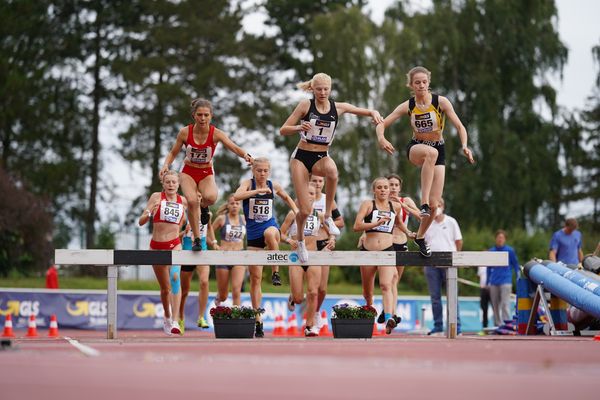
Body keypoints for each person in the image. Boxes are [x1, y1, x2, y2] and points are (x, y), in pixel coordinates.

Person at [280, 72, 384, 263]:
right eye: (318, 89)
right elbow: (283, 129)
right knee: (303, 211)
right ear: (313, 89)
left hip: (321, 155)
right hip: (301, 157)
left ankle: (327, 215)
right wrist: (298, 128)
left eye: (326, 89)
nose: (322, 92)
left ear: (330, 89)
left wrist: (373, 112)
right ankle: (301, 241)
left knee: (333, 173)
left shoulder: (338, 107)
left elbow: (360, 110)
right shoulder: (305, 105)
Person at [375, 66, 475, 258]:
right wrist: (381, 138)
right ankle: (423, 202)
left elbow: (460, 126)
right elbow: (382, 123)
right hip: (417, 148)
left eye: (424, 82)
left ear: (428, 83)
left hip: (439, 148)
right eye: (417, 83)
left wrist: (464, 145)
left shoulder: (440, 102)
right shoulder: (408, 105)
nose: (421, 85)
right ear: (411, 85)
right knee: (429, 154)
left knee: (435, 205)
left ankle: (420, 237)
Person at [160, 98, 253, 251]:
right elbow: (173, 152)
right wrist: (165, 164)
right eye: (199, 115)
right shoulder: (185, 132)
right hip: (188, 171)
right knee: (191, 200)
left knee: (211, 198)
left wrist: (246, 156)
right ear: (194, 115)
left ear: (211, 116)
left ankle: (204, 208)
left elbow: (233, 147)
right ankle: (197, 239)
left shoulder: (216, 133)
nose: (203, 118)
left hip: (205, 171)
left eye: (206, 115)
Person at [233, 157, 298, 337]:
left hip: (271, 228)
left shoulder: (273, 185)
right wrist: (257, 191)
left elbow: (287, 198)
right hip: (253, 236)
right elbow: (236, 196)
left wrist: (296, 212)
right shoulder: (248, 184)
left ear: (269, 171)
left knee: (270, 234)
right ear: (253, 171)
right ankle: (258, 320)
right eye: (259, 170)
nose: (262, 174)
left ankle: (275, 272)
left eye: (265, 171)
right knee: (255, 279)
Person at [354, 177, 414, 335]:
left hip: (388, 250)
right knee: (368, 291)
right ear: (374, 190)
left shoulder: (395, 206)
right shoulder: (368, 205)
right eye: (379, 187)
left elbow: (399, 223)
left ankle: (389, 318)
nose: (383, 190)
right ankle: (369, 305)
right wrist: (376, 224)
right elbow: (356, 226)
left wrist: (408, 233)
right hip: (368, 251)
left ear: (389, 190)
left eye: (385, 187)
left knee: (386, 285)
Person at [280, 182, 333, 337]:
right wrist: (289, 241)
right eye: (306, 193)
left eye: (312, 193)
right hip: (296, 258)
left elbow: (331, 231)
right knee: (298, 298)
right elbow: (281, 233)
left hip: (313, 255)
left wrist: (332, 239)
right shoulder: (292, 214)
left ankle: (309, 326)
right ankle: (292, 296)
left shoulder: (319, 215)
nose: (309, 196)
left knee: (313, 292)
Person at [138, 170, 186, 335]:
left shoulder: (183, 201)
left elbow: (190, 220)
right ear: (163, 184)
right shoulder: (156, 197)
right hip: (157, 246)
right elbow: (141, 222)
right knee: (165, 289)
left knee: (174, 278)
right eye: (168, 182)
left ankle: (175, 321)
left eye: (174, 182)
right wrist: (150, 211)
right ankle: (167, 315)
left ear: (179, 184)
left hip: (175, 245)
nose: (171, 185)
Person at [379, 174, 420, 324]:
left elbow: (420, 216)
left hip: (401, 244)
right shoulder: (381, 203)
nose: (393, 188)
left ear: (400, 188)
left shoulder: (406, 201)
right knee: (389, 280)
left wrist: (404, 207)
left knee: (394, 282)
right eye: (391, 185)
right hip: (386, 245)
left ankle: (388, 310)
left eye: (396, 185)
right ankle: (393, 314)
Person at [423, 198, 462, 335]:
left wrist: (456, 258)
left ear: (443, 207)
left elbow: (458, 241)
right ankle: (438, 326)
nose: (437, 208)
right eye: (435, 206)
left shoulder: (451, 221)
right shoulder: (427, 223)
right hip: (431, 264)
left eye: (439, 205)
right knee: (435, 297)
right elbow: (423, 242)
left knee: (452, 295)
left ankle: (456, 327)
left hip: (449, 263)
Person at [309, 174, 343, 329]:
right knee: (309, 285)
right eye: (314, 180)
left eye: (320, 181)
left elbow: (340, 222)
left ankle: (315, 312)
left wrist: (325, 223)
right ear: (309, 182)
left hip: (323, 244)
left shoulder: (327, 200)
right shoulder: (303, 198)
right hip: (307, 244)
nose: (317, 183)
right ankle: (295, 296)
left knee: (322, 288)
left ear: (324, 183)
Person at [178, 207, 218, 333]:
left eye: (201, 197)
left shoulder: (207, 214)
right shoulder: (185, 213)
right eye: (197, 197)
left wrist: (214, 242)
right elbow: (175, 235)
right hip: (187, 253)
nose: (199, 200)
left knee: (204, 282)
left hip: (202, 251)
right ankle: (180, 318)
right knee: (184, 290)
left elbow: (209, 228)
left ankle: (201, 317)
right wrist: (184, 232)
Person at [212, 195, 246, 306]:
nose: (235, 206)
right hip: (223, 257)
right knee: (223, 296)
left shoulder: (244, 219)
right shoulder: (222, 219)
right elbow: (208, 232)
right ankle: (219, 296)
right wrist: (214, 243)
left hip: (239, 257)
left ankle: (237, 319)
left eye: (237, 203)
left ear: (240, 206)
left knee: (237, 291)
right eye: (232, 203)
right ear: (228, 205)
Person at [487, 230, 520, 327]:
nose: (500, 239)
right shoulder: (491, 251)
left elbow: (515, 264)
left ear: (505, 239)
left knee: (505, 303)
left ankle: (507, 324)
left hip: (506, 280)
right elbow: (488, 267)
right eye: (499, 237)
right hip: (494, 281)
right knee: (495, 305)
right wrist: (487, 281)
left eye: (502, 238)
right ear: (495, 239)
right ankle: (497, 324)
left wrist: (518, 277)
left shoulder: (510, 250)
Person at [477, 266, 490, 330]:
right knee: (484, 308)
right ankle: (485, 328)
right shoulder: (480, 266)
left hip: (491, 287)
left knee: (496, 307)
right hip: (483, 289)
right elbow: (480, 276)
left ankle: (499, 326)